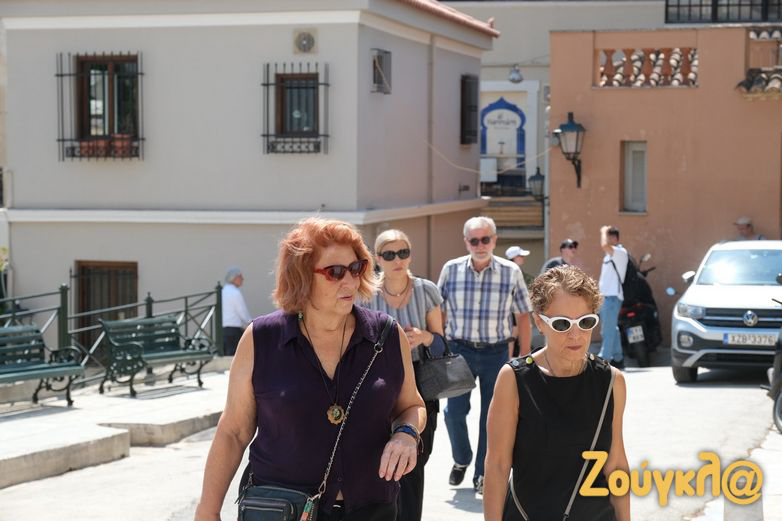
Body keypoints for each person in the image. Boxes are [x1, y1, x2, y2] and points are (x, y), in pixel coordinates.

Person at [195, 218, 426, 521]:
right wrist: (208, 510)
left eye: (355, 268)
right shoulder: (261, 338)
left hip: (371, 508)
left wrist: (407, 433)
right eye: (335, 272)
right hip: (281, 509)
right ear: (301, 276)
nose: (350, 282)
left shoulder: (387, 335)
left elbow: (412, 406)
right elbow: (234, 432)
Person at [483, 265, 630, 521]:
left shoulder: (611, 381)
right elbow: (497, 466)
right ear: (540, 322)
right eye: (562, 324)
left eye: (585, 322)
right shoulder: (514, 379)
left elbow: (616, 463)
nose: (575, 334)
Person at [438, 216, 532, 494]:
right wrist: (439, 349)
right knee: (453, 412)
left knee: (491, 418)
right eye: (474, 240)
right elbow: (438, 311)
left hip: (496, 352)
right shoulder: (451, 269)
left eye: (485, 239)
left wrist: (524, 356)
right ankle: (461, 459)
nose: (480, 245)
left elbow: (523, 315)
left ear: (494, 240)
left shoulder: (510, 271)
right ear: (466, 242)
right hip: (459, 351)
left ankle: (482, 474)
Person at [366, 229, 444, 521]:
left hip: (422, 381)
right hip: (378, 381)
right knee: (380, 462)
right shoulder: (366, 294)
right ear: (378, 259)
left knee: (415, 464)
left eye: (403, 253)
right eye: (389, 254)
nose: (397, 260)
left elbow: (442, 342)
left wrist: (424, 337)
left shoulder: (426, 290)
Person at [597, 226, 628, 369]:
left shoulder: (620, 252)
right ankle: (618, 358)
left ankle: (604, 361)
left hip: (612, 297)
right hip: (606, 298)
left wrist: (603, 231)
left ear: (615, 239)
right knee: (611, 329)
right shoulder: (609, 256)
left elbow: (604, 245)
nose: (606, 240)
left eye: (608, 237)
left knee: (607, 330)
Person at [221, 267, 252, 356]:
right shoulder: (234, 292)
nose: (242, 279)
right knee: (235, 356)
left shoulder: (223, 291)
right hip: (234, 330)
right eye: (240, 277)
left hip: (224, 329)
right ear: (234, 278)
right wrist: (249, 323)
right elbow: (241, 311)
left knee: (226, 355)